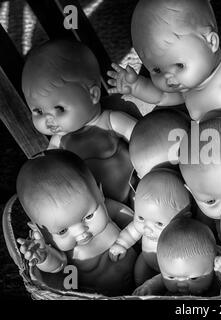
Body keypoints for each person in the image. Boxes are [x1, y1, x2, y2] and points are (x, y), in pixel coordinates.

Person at [21, 39, 136, 203]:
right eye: (38, 111)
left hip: (132, 192)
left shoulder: (111, 121)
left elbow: (141, 137)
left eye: (59, 108)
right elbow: (49, 171)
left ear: (93, 95)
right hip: (91, 209)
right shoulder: (58, 143)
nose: (48, 119)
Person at [107, 0, 221, 122]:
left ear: (211, 43)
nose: (169, 78)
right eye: (157, 70)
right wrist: (136, 86)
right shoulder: (186, 90)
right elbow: (161, 97)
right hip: (211, 149)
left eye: (179, 65)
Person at [16, 150, 136, 296]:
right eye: (62, 231)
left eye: (89, 216)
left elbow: (133, 221)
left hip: (142, 274)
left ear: (100, 194)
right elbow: (58, 266)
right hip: (102, 295)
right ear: (39, 231)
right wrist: (44, 258)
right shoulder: (63, 252)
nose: (81, 232)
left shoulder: (108, 209)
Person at [109, 169, 192, 285]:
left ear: (184, 220)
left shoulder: (184, 236)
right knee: (139, 274)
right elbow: (130, 233)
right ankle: (140, 289)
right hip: (146, 259)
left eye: (159, 224)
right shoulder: (141, 227)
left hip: (173, 270)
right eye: (141, 218)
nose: (146, 229)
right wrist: (121, 244)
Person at [132, 217, 221, 296]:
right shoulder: (169, 273)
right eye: (171, 277)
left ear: (213, 265)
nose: (181, 285)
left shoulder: (217, 274)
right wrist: (149, 287)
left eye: (193, 278)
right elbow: (159, 281)